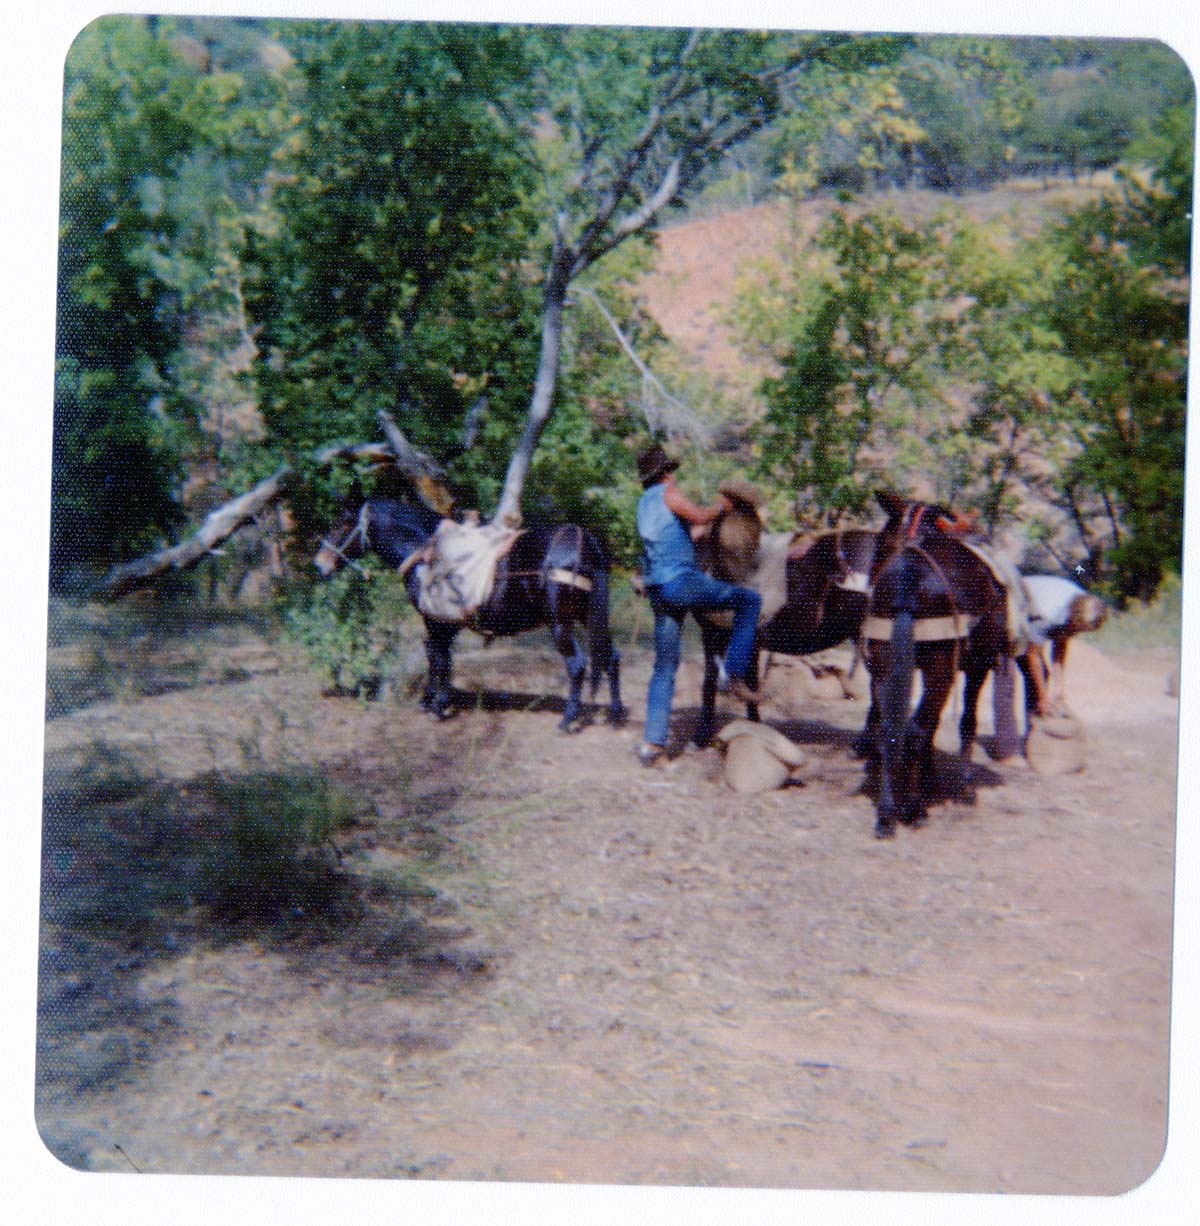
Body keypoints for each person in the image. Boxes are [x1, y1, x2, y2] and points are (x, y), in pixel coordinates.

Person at [635, 443, 764, 766]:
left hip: (657, 588)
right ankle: (732, 672)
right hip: (680, 582)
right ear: (665, 474)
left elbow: (683, 532)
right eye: (672, 473)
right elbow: (700, 515)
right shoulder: (669, 494)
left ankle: (653, 745)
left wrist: (701, 530)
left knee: (664, 667)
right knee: (749, 600)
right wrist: (721, 506)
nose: (674, 479)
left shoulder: (644, 503)